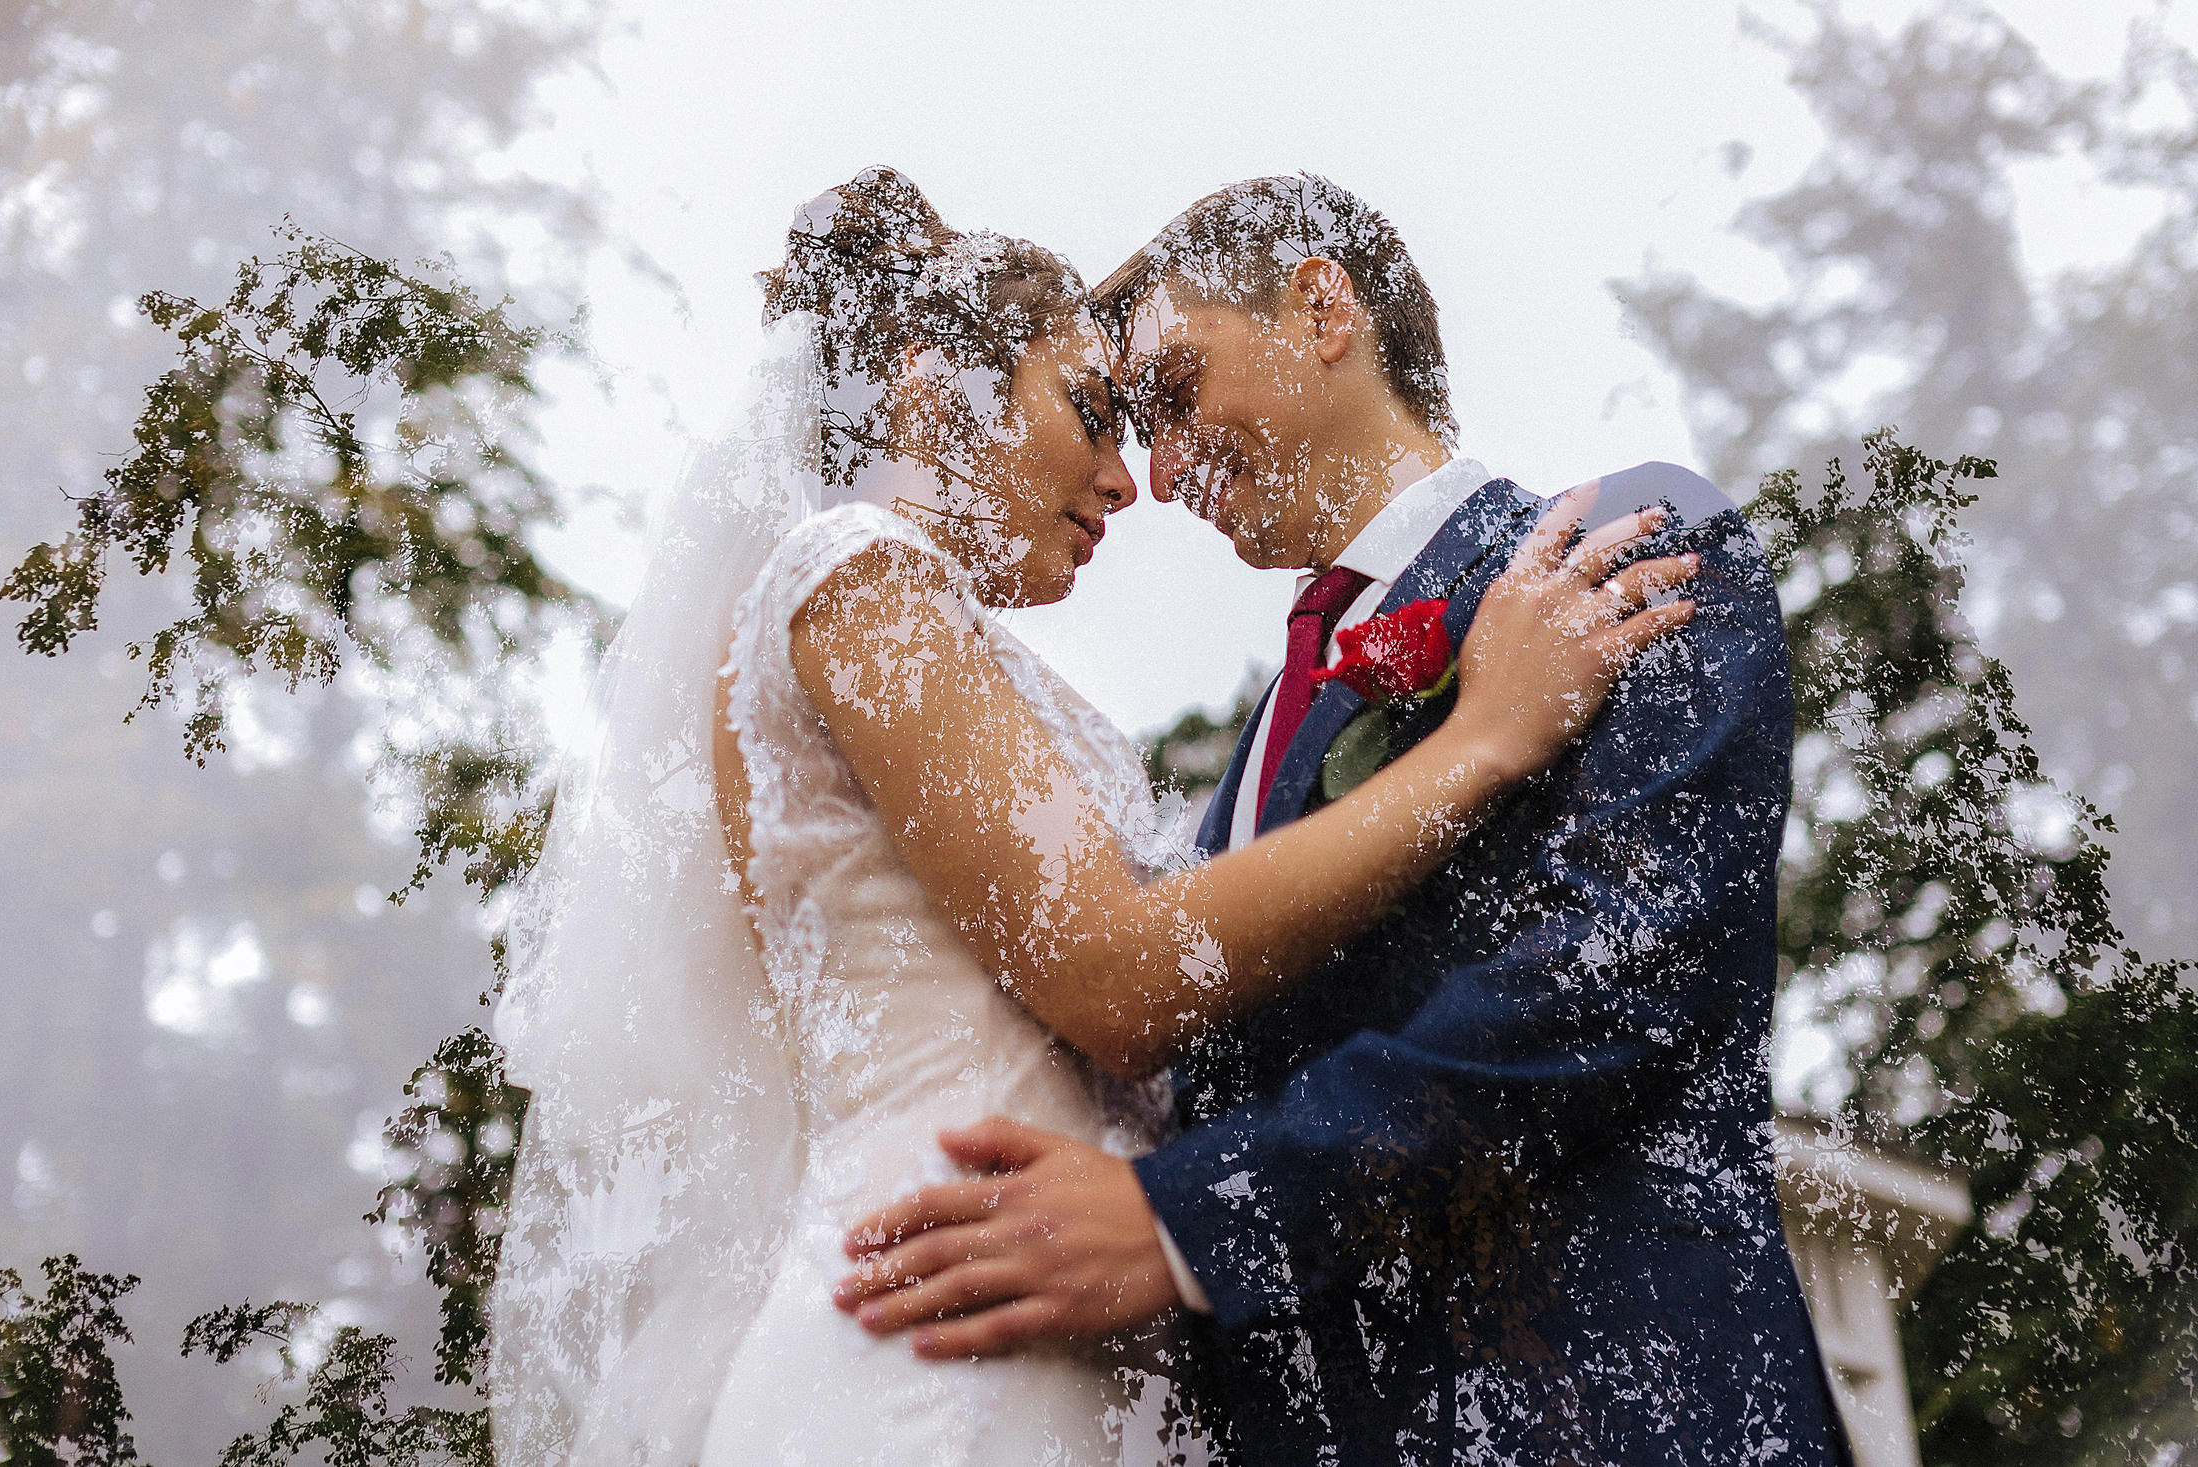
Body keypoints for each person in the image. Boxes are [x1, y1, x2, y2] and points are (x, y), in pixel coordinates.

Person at [489, 167, 1696, 1467]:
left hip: (1015, 1311)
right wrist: (1482, 743)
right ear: (926, 388)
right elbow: (1119, 974)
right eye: (1094, 412)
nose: (1134, 482)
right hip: (948, 1345)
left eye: (1147, 419)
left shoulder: (883, 617)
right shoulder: (859, 575)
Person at [834, 175, 1854, 1466]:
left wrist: (1189, 1221)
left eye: (1176, 389)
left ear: (1322, 307)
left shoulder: (1626, 548)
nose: (1154, 470)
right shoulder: (1245, 755)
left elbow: (1615, 978)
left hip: (1606, 1409)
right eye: (1131, 427)